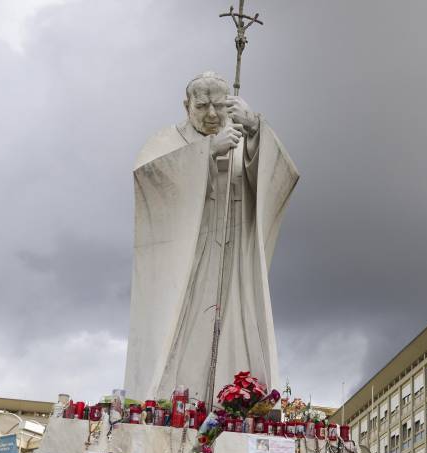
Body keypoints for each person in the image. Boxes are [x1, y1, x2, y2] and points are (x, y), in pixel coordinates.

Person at [124, 71, 299, 401]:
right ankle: (170, 400)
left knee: (236, 321)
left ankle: (235, 399)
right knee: (185, 327)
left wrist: (257, 133)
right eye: (202, 106)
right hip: (189, 256)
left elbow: (281, 178)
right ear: (186, 105)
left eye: (219, 105)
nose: (212, 114)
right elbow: (149, 179)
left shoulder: (239, 135)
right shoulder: (167, 140)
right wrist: (207, 152)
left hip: (233, 258)